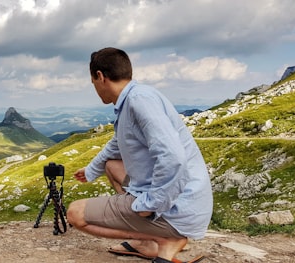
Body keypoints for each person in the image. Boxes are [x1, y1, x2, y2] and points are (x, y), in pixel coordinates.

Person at [66, 47, 213, 263]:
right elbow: (116, 146)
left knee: (75, 213)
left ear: (100, 76)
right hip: (183, 200)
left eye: (93, 82)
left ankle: (164, 240)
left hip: (178, 208)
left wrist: (150, 204)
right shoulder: (136, 97)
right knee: (112, 165)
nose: (95, 89)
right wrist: (90, 171)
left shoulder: (138, 101)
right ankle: (147, 243)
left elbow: (174, 158)